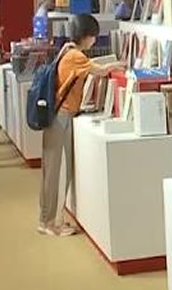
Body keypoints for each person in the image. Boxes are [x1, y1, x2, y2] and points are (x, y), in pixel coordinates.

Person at [38, 14, 124, 236]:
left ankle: (47, 218)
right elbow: (100, 70)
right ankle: (51, 223)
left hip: (57, 115)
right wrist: (118, 64)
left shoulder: (67, 50)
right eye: (93, 36)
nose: (95, 41)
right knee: (58, 171)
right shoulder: (76, 56)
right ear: (87, 36)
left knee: (52, 169)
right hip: (62, 117)